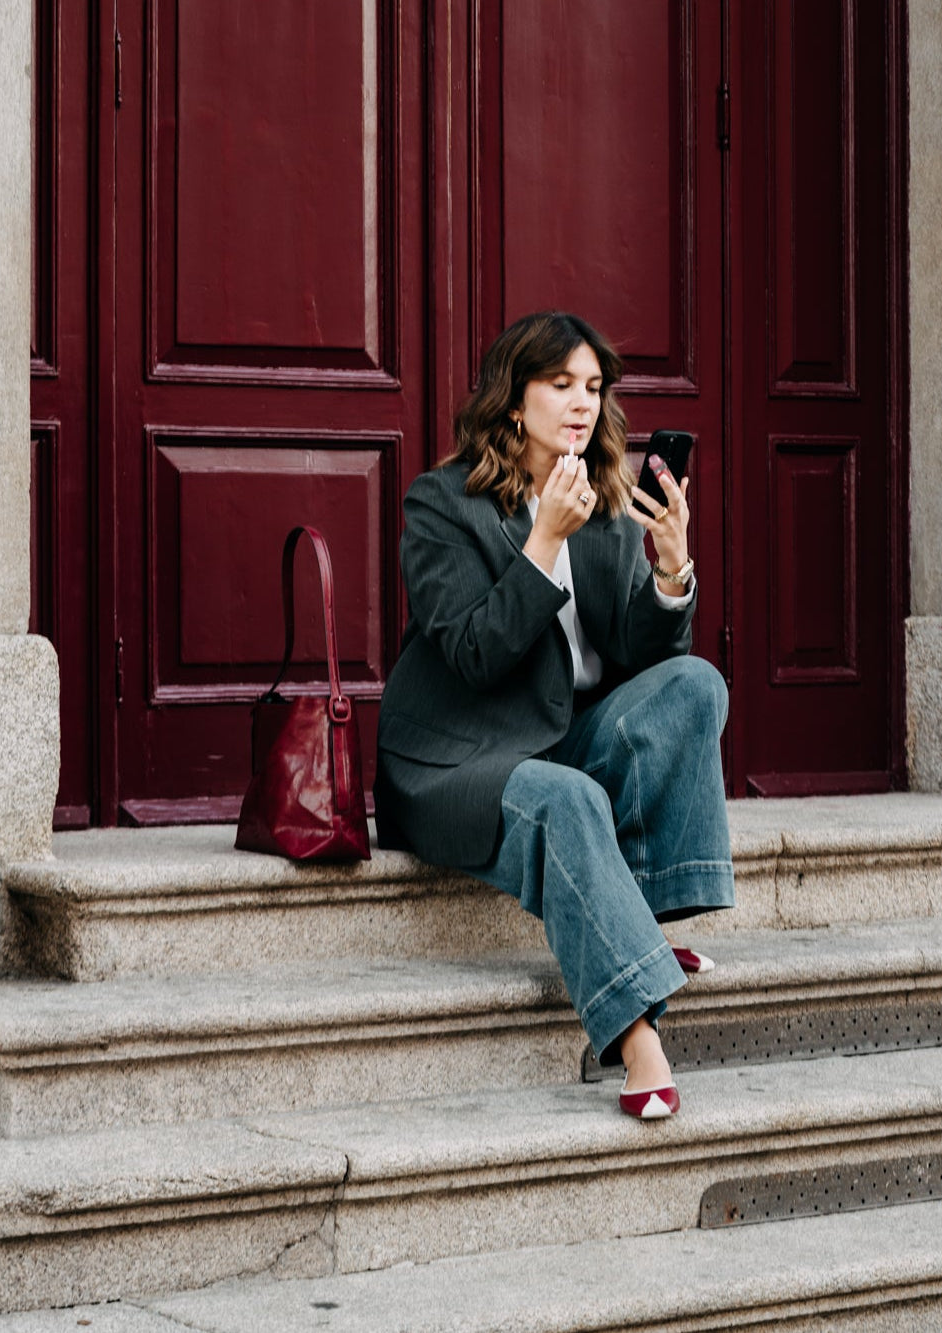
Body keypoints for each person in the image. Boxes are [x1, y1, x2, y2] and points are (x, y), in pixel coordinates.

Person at [374, 310, 734, 1118]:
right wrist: (541, 544)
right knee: (567, 798)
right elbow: (472, 653)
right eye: (560, 384)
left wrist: (672, 573)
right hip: (458, 760)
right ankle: (639, 1037)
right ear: (513, 399)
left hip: (558, 734)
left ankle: (642, 915)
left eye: (594, 388)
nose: (582, 403)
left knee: (694, 684)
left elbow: (643, 656)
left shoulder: (604, 500)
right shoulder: (442, 502)